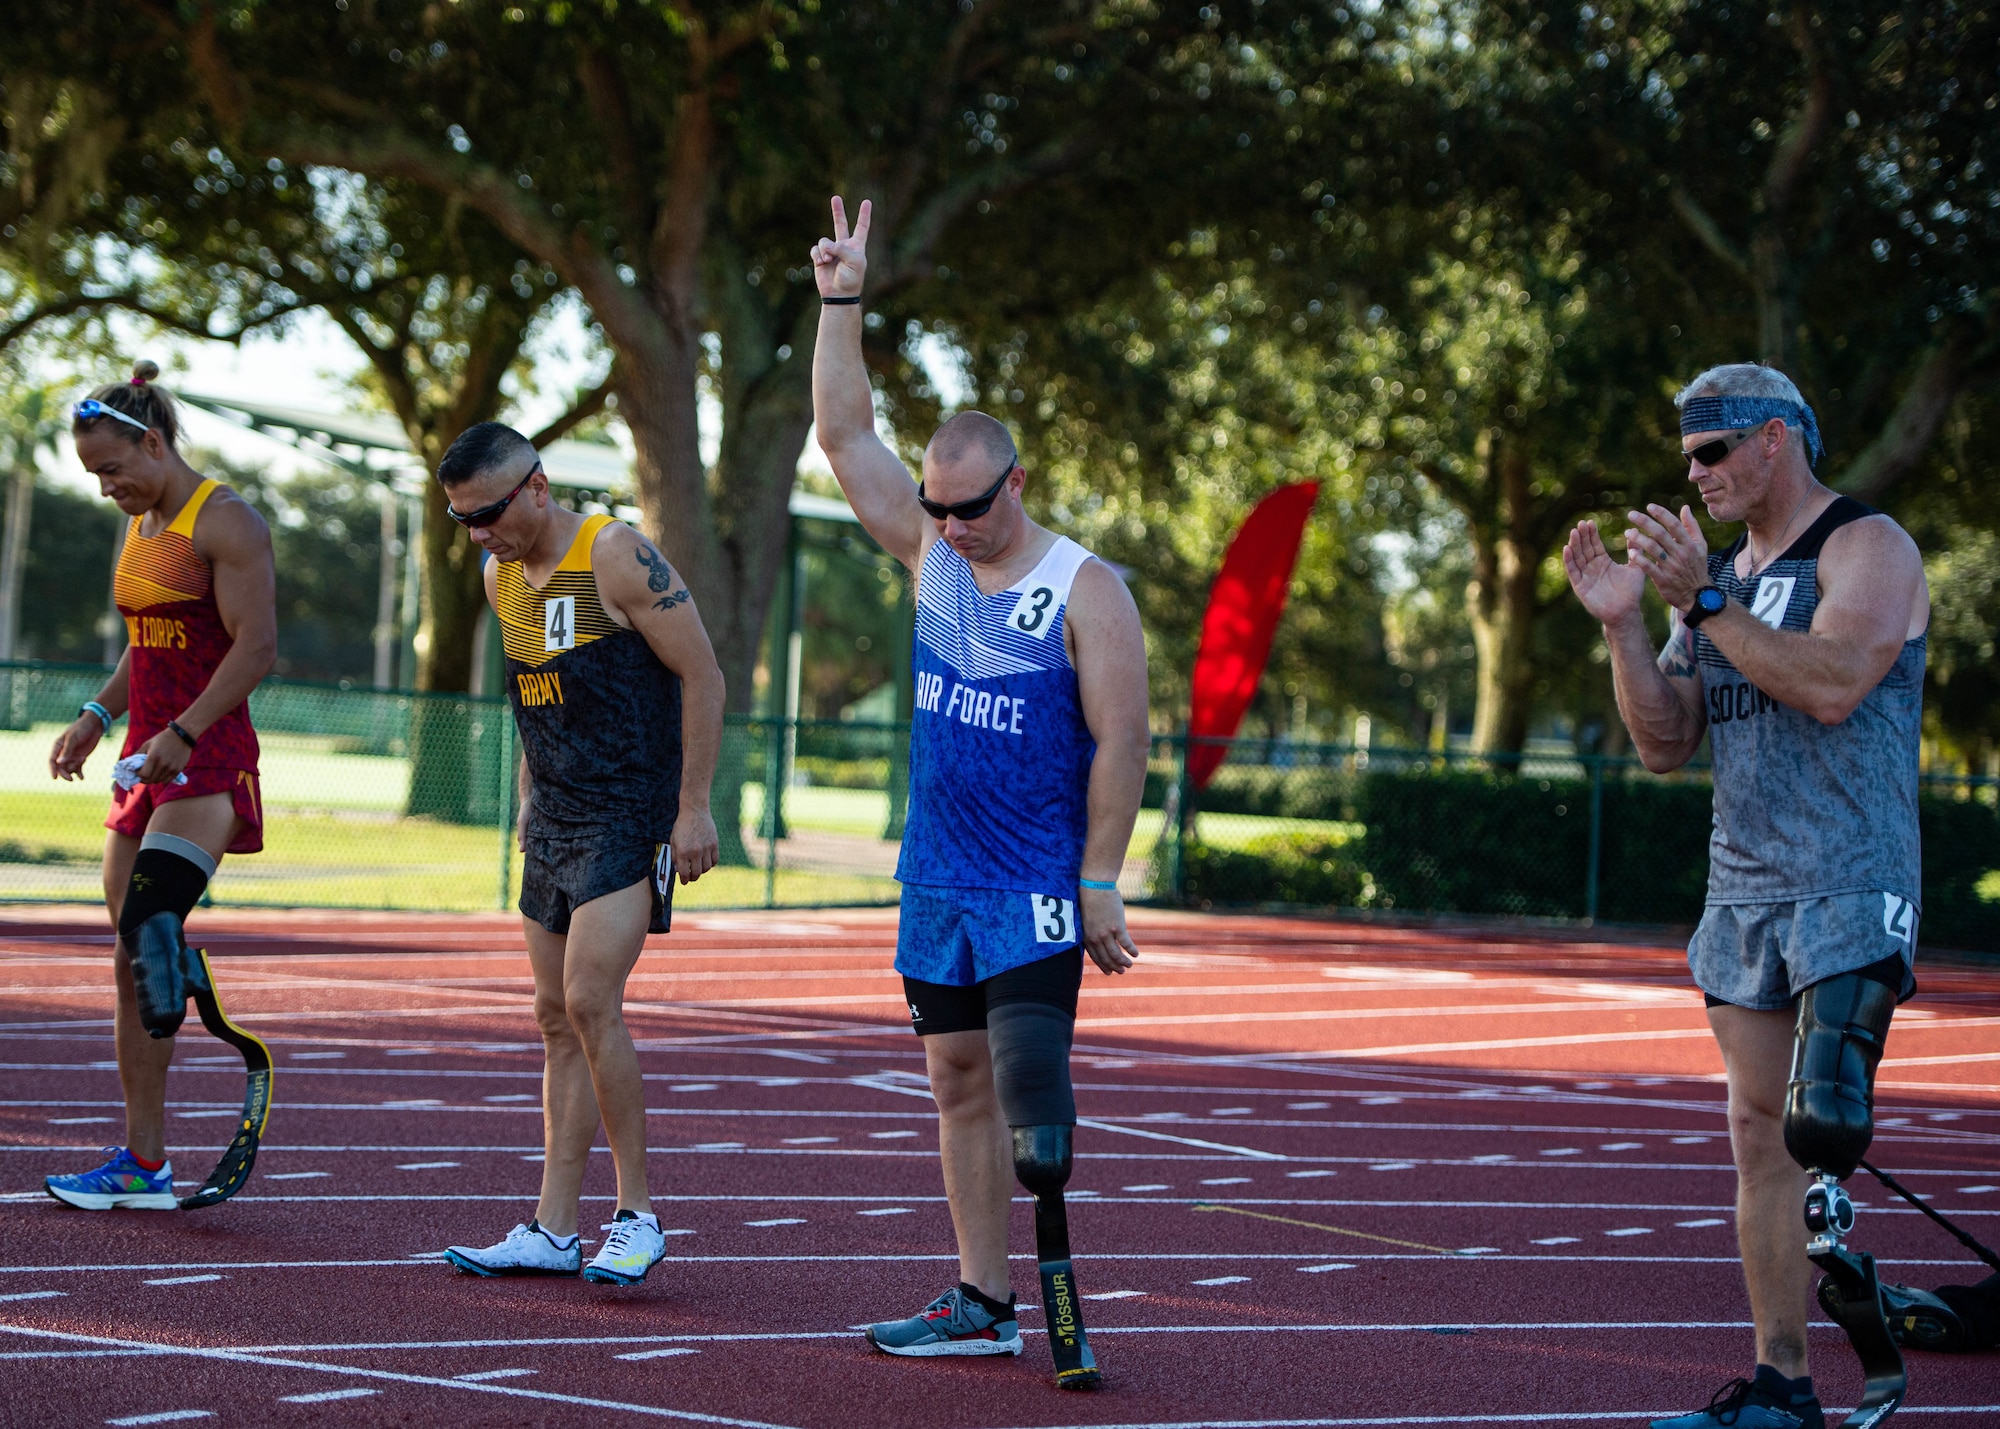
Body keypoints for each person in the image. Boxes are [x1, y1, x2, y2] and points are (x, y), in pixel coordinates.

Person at [809, 196, 1150, 1389]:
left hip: (1035, 886)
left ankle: (1051, 1279)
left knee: (1030, 1106)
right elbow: (846, 437)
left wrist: (1099, 878)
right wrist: (840, 302)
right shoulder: (929, 558)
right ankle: (983, 1296)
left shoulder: (1082, 588)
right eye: (935, 507)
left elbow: (1123, 741)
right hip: (936, 879)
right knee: (952, 1083)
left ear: (1018, 481)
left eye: (969, 506)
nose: (947, 526)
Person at [1563, 363, 1929, 1429]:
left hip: (1848, 877)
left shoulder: (1864, 545)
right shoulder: (1716, 578)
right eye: (1684, 453)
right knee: (1755, 1131)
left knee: (1823, 1120)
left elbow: (1829, 683)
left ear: (1774, 439)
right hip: (1742, 891)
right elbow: (1666, 742)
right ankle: (1783, 1386)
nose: (1691, 471)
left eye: (1710, 449)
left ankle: (1869, 1312)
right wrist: (1626, 626)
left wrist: (1704, 601)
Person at [437, 422, 724, 1287]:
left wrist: (694, 806)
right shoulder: (498, 580)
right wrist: (530, 799)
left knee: (591, 999)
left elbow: (703, 674)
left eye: (489, 512)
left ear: (536, 486)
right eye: (463, 521)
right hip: (554, 818)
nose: (481, 534)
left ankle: (637, 1213)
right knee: (554, 1016)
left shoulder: (616, 556)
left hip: (629, 813)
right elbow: (540, 700)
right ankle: (551, 1228)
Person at [44, 360, 277, 1212]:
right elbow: (143, 647)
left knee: (147, 931)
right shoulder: (140, 527)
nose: (107, 487)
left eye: (112, 468)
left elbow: (255, 648)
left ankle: (178, 963)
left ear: (154, 441)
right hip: (146, 757)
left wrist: (183, 733)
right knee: (129, 956)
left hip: (206, 759)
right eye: (93, 476)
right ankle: (143, 1162)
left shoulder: (227, 523)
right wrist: (96, 717)